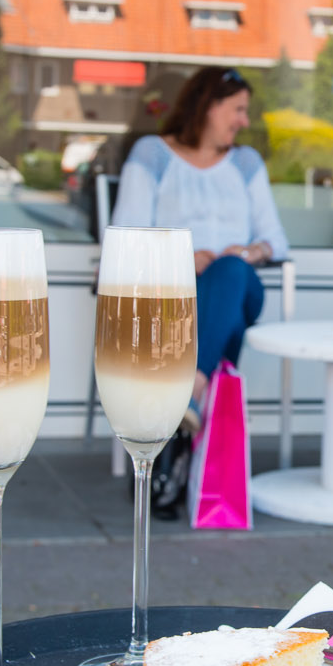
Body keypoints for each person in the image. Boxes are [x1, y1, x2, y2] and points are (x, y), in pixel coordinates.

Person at [111, 65, 290, 423]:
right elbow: (124, 238)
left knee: (230, 271)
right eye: (238, 110)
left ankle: (185, 394)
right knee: (227, 321)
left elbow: (277, 241)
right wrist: (180, 260)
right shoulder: (153, 154)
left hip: (237, 284)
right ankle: (199, 414)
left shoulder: (246, 162)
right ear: (209, 105)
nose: (244, 121)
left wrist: (250, 252)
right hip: (171, 295)